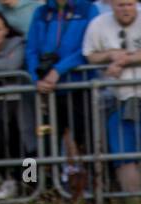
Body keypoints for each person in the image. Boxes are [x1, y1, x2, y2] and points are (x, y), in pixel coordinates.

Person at [82, 0, 141, 194]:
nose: (126, 9)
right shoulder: (98, 23)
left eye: (129, 4)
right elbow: (89, 55)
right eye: (120, 5)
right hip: (119, 101)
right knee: (123, 157)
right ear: (111, 5)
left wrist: (123, 60)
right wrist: (110, 55)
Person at [25, 0, 95, 174]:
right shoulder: (41, 12)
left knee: (85, 141)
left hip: (79, 86)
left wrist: (58, 70)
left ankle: (94, 187)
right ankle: (40, 186)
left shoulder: (88, 9)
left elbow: (89, 48)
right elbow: (31, 49)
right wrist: (36, 79)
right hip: (47, 90)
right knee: (44, 143)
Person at [0, 8, 29, 198]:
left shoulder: (18, 44)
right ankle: (9, 180)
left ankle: (30, 184)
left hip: (20, 105)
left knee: (25, 147)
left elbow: (12, 66)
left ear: (6, 30)